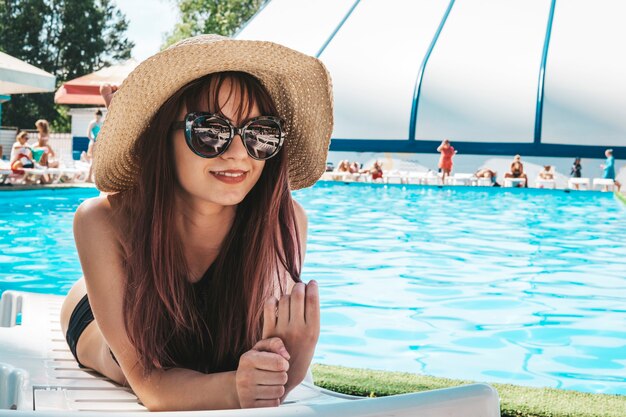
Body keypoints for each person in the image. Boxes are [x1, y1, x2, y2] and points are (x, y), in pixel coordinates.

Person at [59, 34, 332, 411]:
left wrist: (295, 360)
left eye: (260, 134)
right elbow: (151, 387)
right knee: (121, 364)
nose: (238, 154)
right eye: (210, 131)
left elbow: (266, 377)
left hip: (193, 312)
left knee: (216, 359)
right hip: (107, 316)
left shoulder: (286, 222)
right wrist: (238, 387)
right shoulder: (102, 220)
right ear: (161, 136)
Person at [85, 109, 104, 182]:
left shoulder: (101, 123)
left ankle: (92, 177)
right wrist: (93, 140)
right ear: (95, 116)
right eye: (97, 116)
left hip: (99, 143)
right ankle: (89, 177)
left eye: (99, 116)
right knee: (93, 160)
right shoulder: (92, 123)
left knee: (98, 161)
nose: (98, 117)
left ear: (101, 116)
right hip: (93, 143)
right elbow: (88, 134)